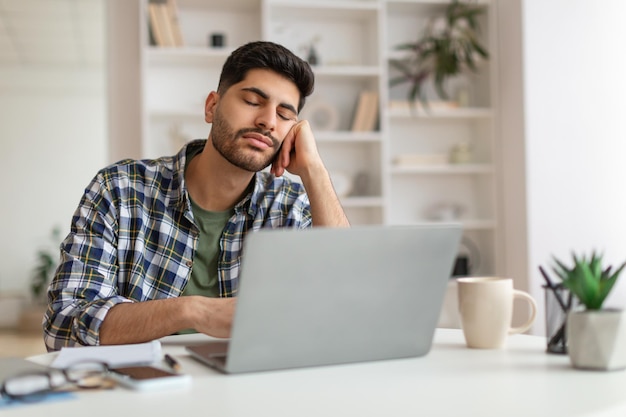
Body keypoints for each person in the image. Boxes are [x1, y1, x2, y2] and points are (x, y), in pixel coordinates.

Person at [43, 41, 350, 352]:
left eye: (285, 115)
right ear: (211, 107)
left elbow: (345, 310)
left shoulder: (290, 206)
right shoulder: (120, 188)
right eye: (253, 101)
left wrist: (315, 171)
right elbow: (63, 325)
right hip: (141, 390)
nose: (268, 121)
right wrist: (192, 311)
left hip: (256, 388)